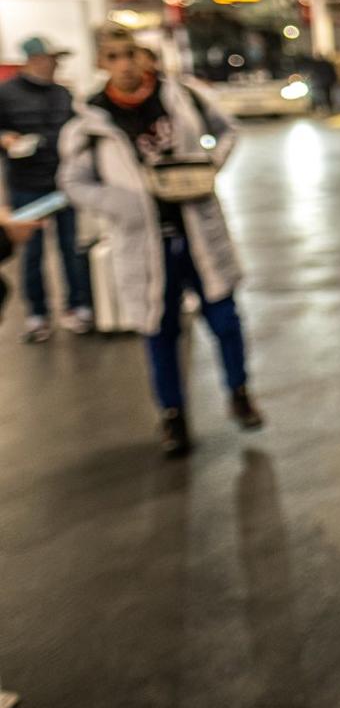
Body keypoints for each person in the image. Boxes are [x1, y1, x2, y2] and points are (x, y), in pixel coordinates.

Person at [57, 23, 264, 458]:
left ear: (144, 55)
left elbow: (227, 130)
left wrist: (206, 168)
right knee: (159, 330)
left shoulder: (181, 96)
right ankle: (173, 415)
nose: (125, 64)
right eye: (113, 56)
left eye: (131, 53)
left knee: (225, 318)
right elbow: (74, 181)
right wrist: (119, 203)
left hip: (198, 231)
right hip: (143, 243)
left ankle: (239, 391)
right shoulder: (89, 121)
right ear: (101, 62)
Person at [0, 35, 93, 342]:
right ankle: (37, 314)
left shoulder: (63, 93)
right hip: (26, 185)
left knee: (72, 247)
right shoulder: (6, 94)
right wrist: (7, 139)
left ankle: (78, 306)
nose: (55, 65)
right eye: (51, 58)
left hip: (63, 182)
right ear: (35, 60)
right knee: (31, 252)